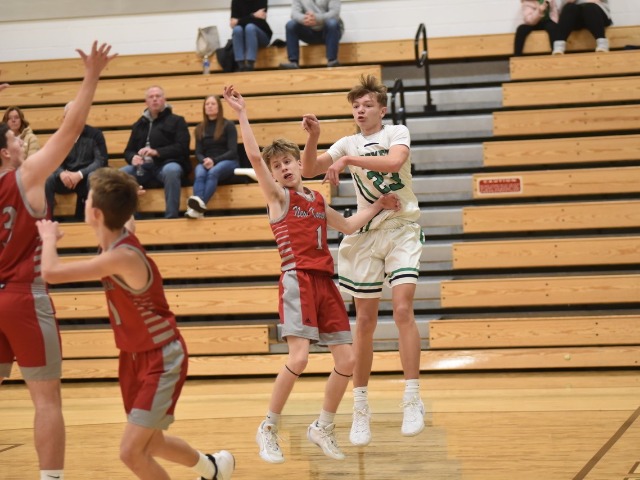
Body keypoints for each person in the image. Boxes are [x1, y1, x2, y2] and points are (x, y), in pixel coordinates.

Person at [222, 84, 401, 463]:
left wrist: (379, 206)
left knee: (348, 361)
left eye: (288, 161)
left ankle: (322, 426)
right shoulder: (278, 198)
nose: (284, 168)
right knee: (300, 358)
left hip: (325, 284)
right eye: (277, 166)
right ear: (272, 175)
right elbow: (253, 156)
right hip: (297, 280)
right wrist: (241, 114)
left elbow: (349, 226)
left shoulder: (317, 199)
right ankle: (268, 427)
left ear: (297, 164)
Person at [35, 168, 235, 480]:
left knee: (131, 452)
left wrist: (48, 238)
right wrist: (127, 191)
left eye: (88, 199)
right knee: (152, 443)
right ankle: (213, 469)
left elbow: (51, 273)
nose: (85, 202)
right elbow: (127, 217)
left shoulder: (121, 256)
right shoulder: (115, 237)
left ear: (96, 214)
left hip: (161, 356)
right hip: (132, 357)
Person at [0, 41, 115, 480]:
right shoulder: (26, 176)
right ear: (5, 152)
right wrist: (92, 76)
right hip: (23, 298)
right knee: (46, 400)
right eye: (14, 138)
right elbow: (72, 129)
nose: (20, 140)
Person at [299, 74, 425, 447]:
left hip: (401, 226)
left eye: (367, 105)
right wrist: (313, 138)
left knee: (402, 310)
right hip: (366, 234)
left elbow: (394, 162)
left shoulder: (396, 132)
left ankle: (412, 398)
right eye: (355, 105)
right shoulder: (346, 142)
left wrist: (347, 160)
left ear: (381, 110)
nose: (360, 110)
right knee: (365, 323)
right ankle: (360, 407)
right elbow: (308, 170)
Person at [121, 85, 191, 219]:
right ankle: (132, 218)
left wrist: (156, 152)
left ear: (164, 99)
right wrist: (133, 158)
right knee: (121, 174)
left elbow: (182, 147)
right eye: (151, 97)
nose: (154, 99)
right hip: (143, 167)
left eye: (158, 96)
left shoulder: (177, 121)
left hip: (166, 164)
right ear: (146, 102)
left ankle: (171, 217)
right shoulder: (138, 124)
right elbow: (128, 151)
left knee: (172, 170)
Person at [45, 101, 108, 220]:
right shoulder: (58, 137)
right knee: (48, 179)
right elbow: (52, 160)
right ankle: (47, 220)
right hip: (67, 180)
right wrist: (61, 173)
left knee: (94, 177)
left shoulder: (95, 135)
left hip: (86, 178)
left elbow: (101, 161)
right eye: (70, 116)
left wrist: (79, 174)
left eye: (77, 115)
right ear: (64, 118)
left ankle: (95, 220)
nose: (73, 119)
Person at [185, 95, 239, 219]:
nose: (209, 106)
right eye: (207, 104)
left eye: (213, 104)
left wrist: (214, 160)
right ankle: (198, 210)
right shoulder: (199, 128)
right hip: (207, 161)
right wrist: (204, 160)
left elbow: (232, 151)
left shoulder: (228, 125)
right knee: (199, 173)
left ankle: (196, 208)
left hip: (228, 161)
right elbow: (198, 152)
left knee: (213, 172)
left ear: (219, 107)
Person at [280, 0, 344, 69]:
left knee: (332, 23)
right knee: (290, 25)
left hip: (329, 32)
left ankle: (332, 61)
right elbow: (294, 14)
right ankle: (293, 62)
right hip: (309, 32)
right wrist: (304, 19)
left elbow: (334, 14)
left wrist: (317, 18)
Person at [230, 0, 273, 72]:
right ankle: (240, 65)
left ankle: (250, 64)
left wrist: (239, 21)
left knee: (250, 27)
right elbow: (232, 24)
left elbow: (259, 21)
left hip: (261, 36)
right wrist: (253, 16)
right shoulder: (236, 1)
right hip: (243, 36)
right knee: (237, 29)